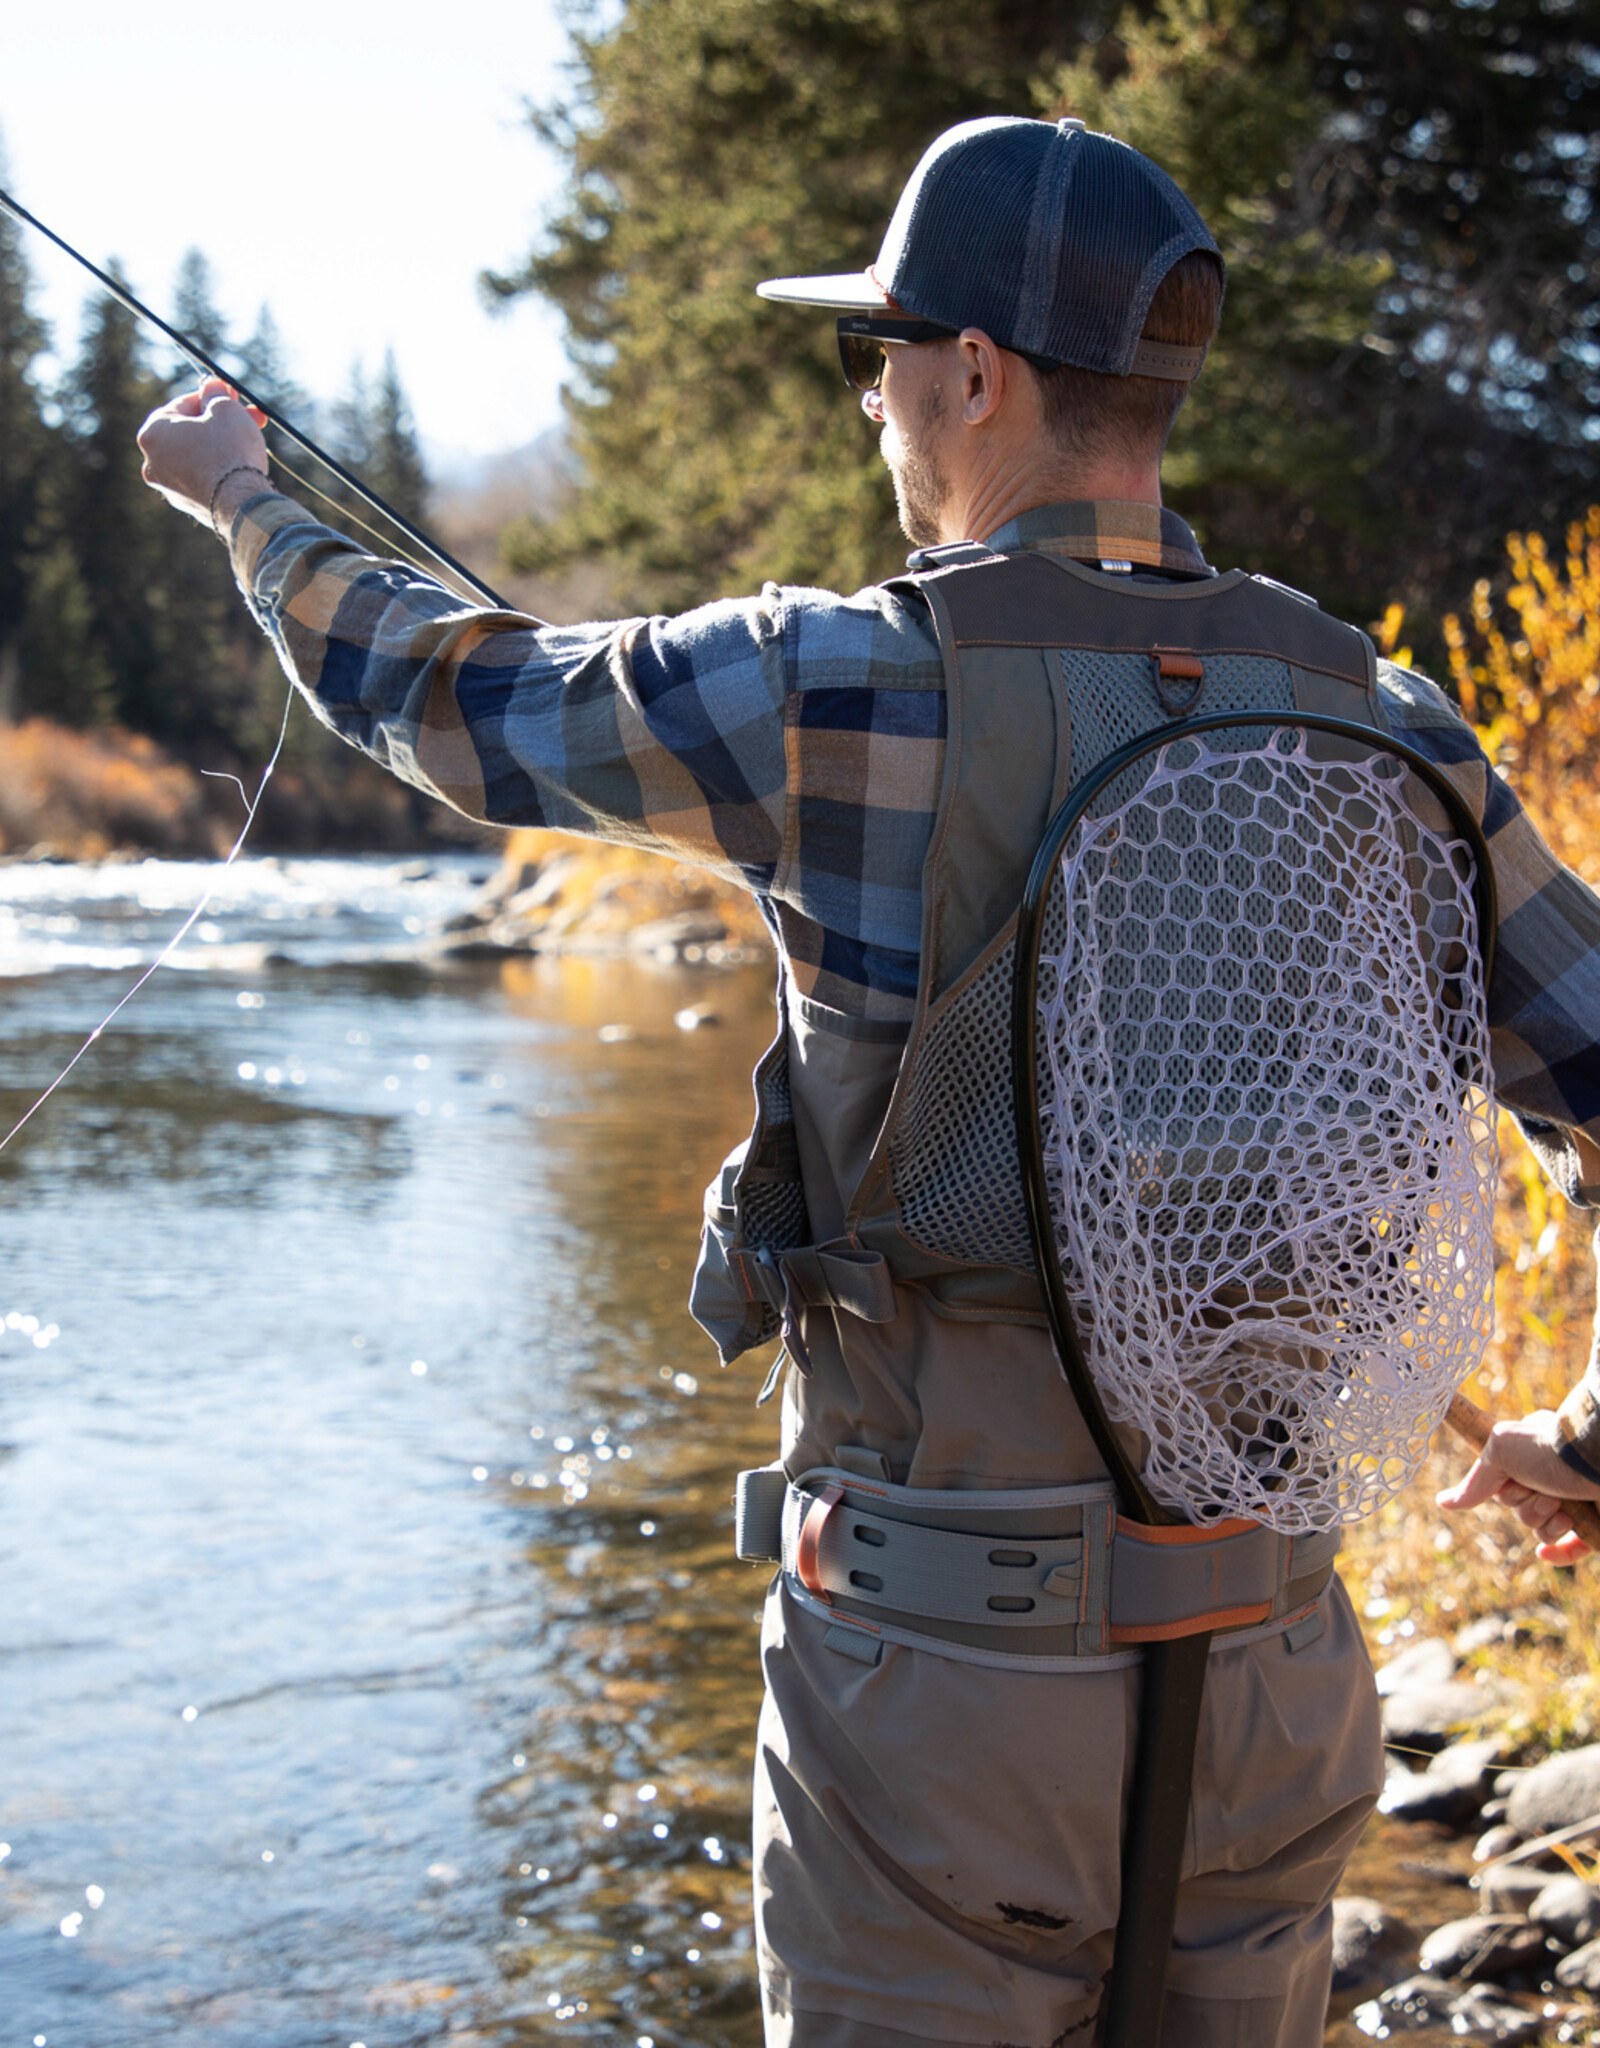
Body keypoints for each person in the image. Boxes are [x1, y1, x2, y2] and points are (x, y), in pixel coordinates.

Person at [137, 115, 1600, 2048]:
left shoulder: (834, 678)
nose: (874, 408)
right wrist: (1580, 1436)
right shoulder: (1389, 720)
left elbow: (450, 701)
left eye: (878, 358)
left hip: (939, 1708)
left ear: (972, 373)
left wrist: (247, 499)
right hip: (1277, 1688)